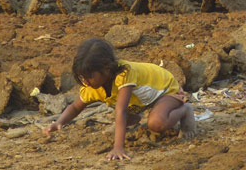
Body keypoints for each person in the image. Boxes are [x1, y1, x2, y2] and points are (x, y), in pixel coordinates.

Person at [43, 38, 196, 161]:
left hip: (165, 90)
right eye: (82, 77)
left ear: (107, 69)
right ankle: (142, 117)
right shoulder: (91, 87)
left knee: (156, 123)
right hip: (141, 101)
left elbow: (121, 110)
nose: (86, 81)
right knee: (126, 120)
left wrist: (118, 147)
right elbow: (75, 107)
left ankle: (185, 110)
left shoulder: (124, 74)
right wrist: (59, 122)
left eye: (90, 76)